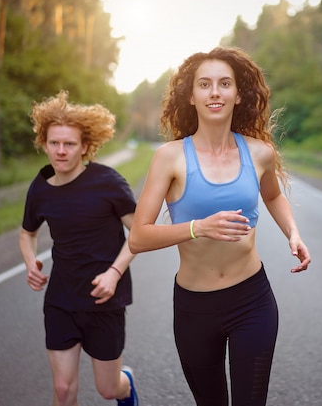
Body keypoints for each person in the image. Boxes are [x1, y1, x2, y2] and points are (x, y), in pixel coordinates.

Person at [128, 47, 311, 406]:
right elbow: (137, 237)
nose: (215, 92)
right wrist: (198, 227)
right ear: (192, 96)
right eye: (205, 84)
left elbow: (273, 197)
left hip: (252, 300)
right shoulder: (169, 158)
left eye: (225, 84)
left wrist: (293, 232)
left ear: (238, 94)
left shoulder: (259, 153)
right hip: (196, 307)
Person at [18, 91, 139, 406]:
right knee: (63, 390)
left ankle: (128, 385)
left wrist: (114, 273)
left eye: (69, 144)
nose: (60, 151)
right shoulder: (41, 187)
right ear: (44, 143)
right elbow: (26, 233)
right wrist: (30, 262)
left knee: (109, 389)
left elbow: (140, 232)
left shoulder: (108, 182)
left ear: (85, 147)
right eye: (54, 143)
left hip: (104, 299)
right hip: (60, 299)